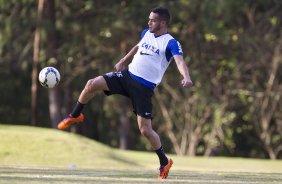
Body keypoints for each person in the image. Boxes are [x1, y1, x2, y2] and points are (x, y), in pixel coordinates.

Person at [57, 7, 193, 179]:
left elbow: (180, 62)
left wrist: (186, 76)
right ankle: (75, 115)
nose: (149, 22)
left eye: (153, 20)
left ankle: (164, 162)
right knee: (92, 84)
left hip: (143, 88)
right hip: (127, 76)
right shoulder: (147, 32)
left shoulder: (171, 42)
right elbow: (138, 47)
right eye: (149, 19)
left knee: (145, 130)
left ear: (163, 23)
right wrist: (123, 59)